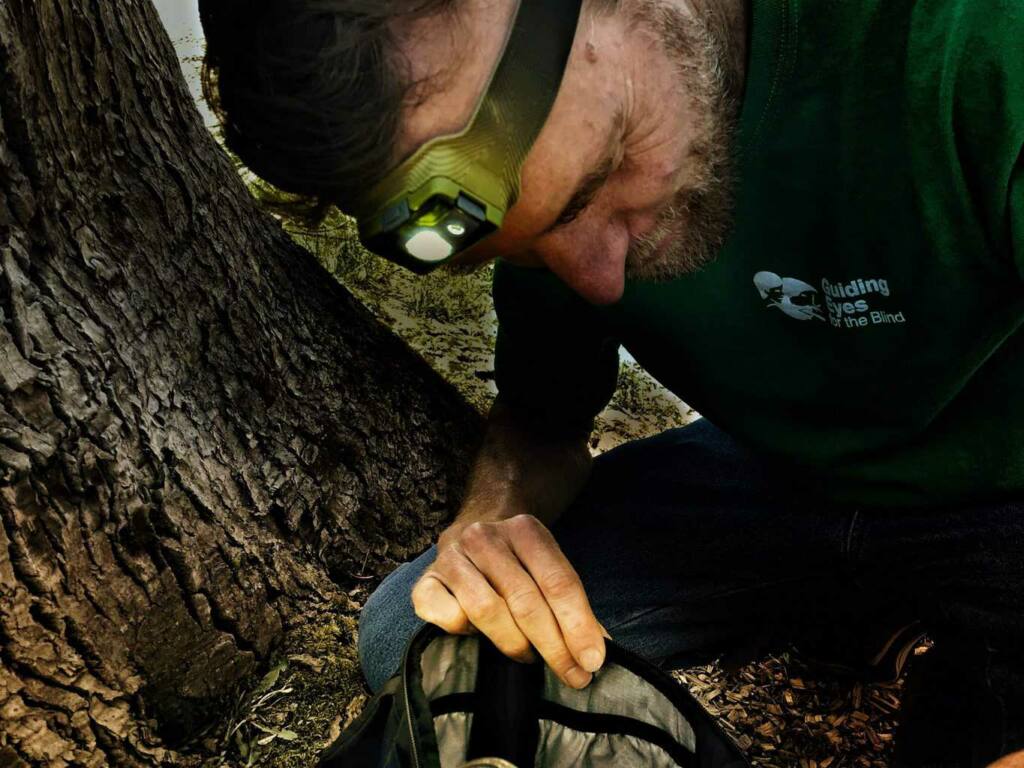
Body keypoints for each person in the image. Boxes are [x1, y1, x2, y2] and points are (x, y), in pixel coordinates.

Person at [198, 1, 1024, 765]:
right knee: (415, 639)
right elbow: (542, 425)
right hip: (771, 481)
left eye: (600, 178)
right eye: (523, 251)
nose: (597, 280)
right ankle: (874, 614)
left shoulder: (976, 42)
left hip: (999, 485)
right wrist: (493, 525)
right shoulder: (560, 173)